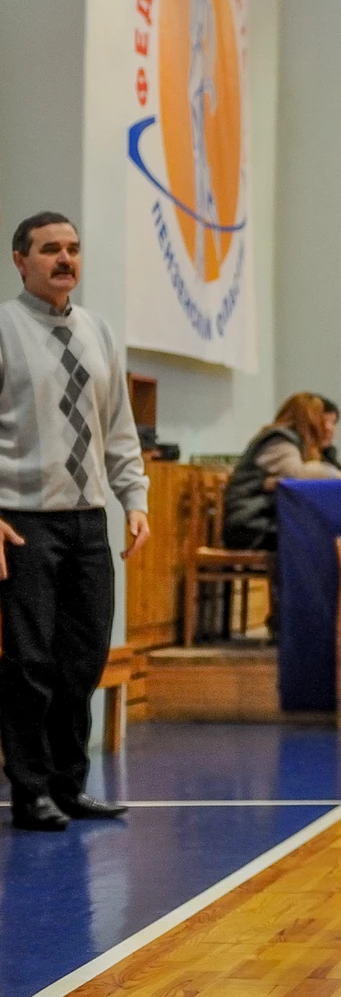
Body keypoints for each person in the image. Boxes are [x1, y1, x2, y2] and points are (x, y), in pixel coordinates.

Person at [0, 212, 150, 832]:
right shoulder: (4, 328)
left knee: (83, 660)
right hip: (23, 521)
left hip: (89, 523)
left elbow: (119, 427)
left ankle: (70, 784)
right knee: (29, 663)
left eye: (73, 248)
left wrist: (134, 498)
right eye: (50, 249)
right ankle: (31, 791)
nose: (65, 259)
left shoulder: (98, 331)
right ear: (20, 260)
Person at [222, 392, 341, 553]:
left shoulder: (308, 448)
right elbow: (297, 475)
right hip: (252, 525)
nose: (328, 428)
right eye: (322, 420)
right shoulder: (278, 439)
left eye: (332, 423)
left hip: (273, 521)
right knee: (328, 536)